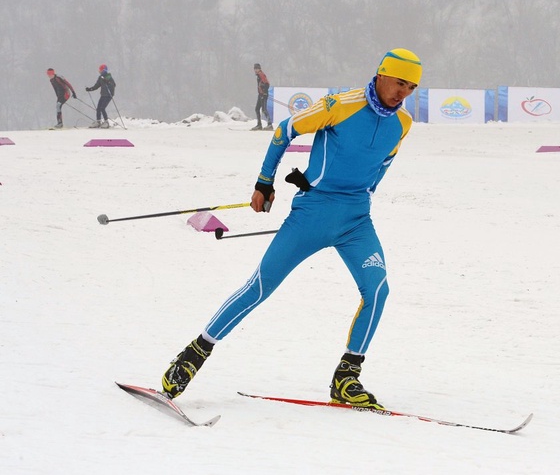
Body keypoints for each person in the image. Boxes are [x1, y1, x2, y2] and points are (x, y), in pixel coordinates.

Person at [161, 48, 423, 409]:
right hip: (311, 217)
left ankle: (347, 379)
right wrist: (264, 182)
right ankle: (192, 356)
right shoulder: (339, 105)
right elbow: (284, 131)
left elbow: (384, 163)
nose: (402, 93)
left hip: (356, 221)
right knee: (259, 287)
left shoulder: (403, 123)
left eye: (410, 88)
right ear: (380, 74)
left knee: (378, 290)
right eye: (398, 83)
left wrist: (364, 193)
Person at [85, 64, 116, 129]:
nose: (99, 71)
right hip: (103, 94)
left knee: (102, 108)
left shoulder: (108, 76)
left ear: (103, 70)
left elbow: (113, 85)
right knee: (98, 108)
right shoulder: (100, 77)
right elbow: (97, 85)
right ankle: (98, 121)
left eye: (100, 70)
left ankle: (106, 122)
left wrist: (107, 82)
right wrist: (90, 89)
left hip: (108, 95)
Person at [253, 63, 273, 131]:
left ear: (259, 69)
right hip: (260, 94)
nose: (255, 70)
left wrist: (264, 92)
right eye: (255, 69)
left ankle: (270, 124)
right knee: (257, 109)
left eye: (257, 69)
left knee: (264, 109)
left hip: (263, 95)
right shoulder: (258, 75)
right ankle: (259, 125)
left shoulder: (261, 75)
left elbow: (267, 83)